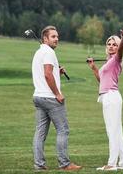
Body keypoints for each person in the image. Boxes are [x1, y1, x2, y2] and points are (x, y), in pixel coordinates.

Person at [32, 25, 82, 171]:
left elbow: (47, 74)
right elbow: (47, 74)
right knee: (63, 130)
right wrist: (57, 94)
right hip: (50, 98)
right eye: (53, 37)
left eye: (57, 36)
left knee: (40, 132)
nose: (56, 39)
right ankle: (64, 164)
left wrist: (57, 74)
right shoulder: (49, 53)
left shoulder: (39, 52)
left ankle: (39, 165)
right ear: (45, 39)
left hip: (38, 96)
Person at [87, 26, 123, 171]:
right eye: (109, 44)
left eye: (115, 44)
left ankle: (111, 164)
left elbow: (120, 52)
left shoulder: (117, 59)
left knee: (112, 130)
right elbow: (102, 81)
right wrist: (94, 68)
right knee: (116, 130)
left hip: (112, 97)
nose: (112, 46)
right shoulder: (109, 62)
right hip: (108, 97)